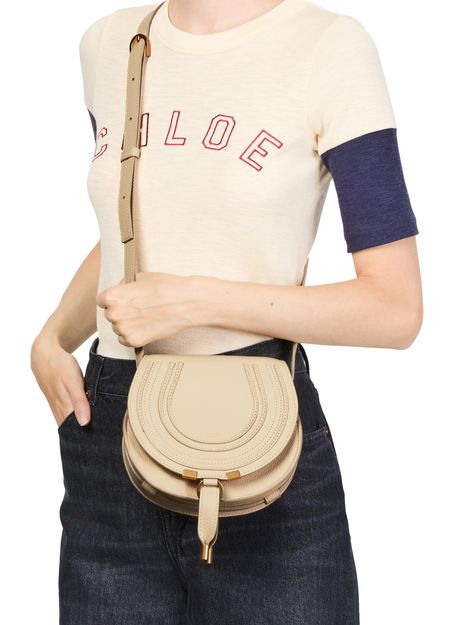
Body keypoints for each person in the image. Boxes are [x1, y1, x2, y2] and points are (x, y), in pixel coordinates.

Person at [30, 1, 423, 623]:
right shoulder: (111, 43)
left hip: (261, 435)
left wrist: (197, 301)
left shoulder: (330, 46)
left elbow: (395, 309)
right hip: (108, 434)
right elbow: (132, 233)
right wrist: (52, 336)